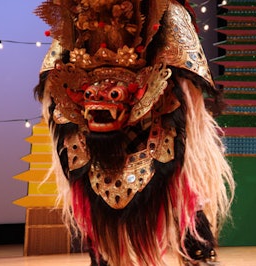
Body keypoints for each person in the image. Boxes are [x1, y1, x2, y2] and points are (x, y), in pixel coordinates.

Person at [33, 0, 235, 265]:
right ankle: (104, 254)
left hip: (152, 102)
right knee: (91, 187)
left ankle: (195, 250)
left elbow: (187, 72)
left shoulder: (167, 12)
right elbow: (54, 74)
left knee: (177, 184)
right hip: (89, 109)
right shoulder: (76, 13)